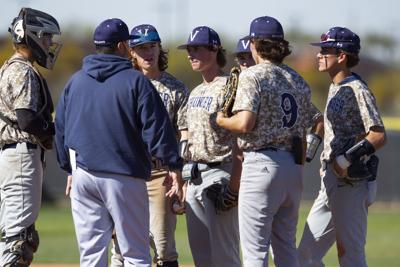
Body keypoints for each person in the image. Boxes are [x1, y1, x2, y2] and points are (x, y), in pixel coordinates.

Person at [54, 18, 183, 267]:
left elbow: (60, 130)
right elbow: (157, 130)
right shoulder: (136, 81)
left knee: (91, 255)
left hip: (84, 176)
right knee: (135, 254)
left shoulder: (75, 81)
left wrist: (69, 169)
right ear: (124, 46)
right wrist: (173, 166)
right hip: (123, 174)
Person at [216, 16, 321, 267]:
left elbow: (244, 123)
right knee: (285, 249)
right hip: (292, 168)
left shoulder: (252, 75)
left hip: (261, 164)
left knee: (255, 252)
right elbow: (317, 121)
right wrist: (302, 162)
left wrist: (221, 119)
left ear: (254, 44)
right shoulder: (298, 79)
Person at [298, 27, 387, 267]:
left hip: (351, 184)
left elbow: (378, 135)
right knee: (304, 257)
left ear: (342, 56)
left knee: (351, 257)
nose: (319, 55)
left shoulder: (357, 89)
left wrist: (344, 160)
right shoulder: (335, 86)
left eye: (326, 50)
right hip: (331, 183)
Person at [110, 24, 188, 267]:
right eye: (141, 47)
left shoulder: (175, 88)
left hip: (160, 174)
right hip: (127, 172)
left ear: (159, 47)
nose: (148, 52)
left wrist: (180, 176)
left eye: (152, 46)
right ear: (131, 51)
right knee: (121, 246)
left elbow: (184, 135)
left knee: (164, 247)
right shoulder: (122, 84)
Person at [0, 7, 61, 266]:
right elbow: (27, 120)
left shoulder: (10, 67)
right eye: (46, 37)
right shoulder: (23, 70)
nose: (48, 43)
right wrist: (54, 130)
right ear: (32, 36)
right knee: (19, 239)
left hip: (13, 155)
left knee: (15, 234)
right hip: (21, 155)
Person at [176, 26, 241, 267]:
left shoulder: (230, 86)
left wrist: (234, 183)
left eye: (197, 49)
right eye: (189, 49)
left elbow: (242, 132)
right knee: (201, 256)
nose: (190, 54)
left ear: (214, 50)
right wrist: (182, 179)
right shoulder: (195, 91)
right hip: (194, 175)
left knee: (225, 254)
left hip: (221, 171)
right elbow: (185, 132)